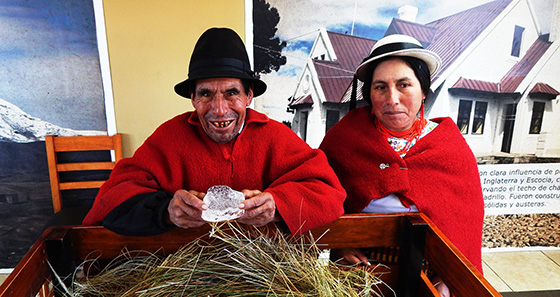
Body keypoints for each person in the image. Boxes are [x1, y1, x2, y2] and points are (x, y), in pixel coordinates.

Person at [83, 27, 346, 236]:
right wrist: (166, 211)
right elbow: (112, 199)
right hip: (182, 274)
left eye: (232, 93)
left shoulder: (275, 136)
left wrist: (277, 205)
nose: (219, 110)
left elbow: (329, 193)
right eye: (206, 94)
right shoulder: (169, 138)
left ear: (249, 96)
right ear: (193, 99)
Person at [319, 34, 484, 296]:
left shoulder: (449, 147)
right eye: (380, 87)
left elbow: (465, 222)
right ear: (369, 94)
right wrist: (339, 244)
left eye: (404, 85)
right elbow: (321, 198)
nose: (392, 98)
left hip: (427, 272)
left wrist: (450, 274)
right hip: (358, 272)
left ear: (423, 92)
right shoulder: (343, 140)